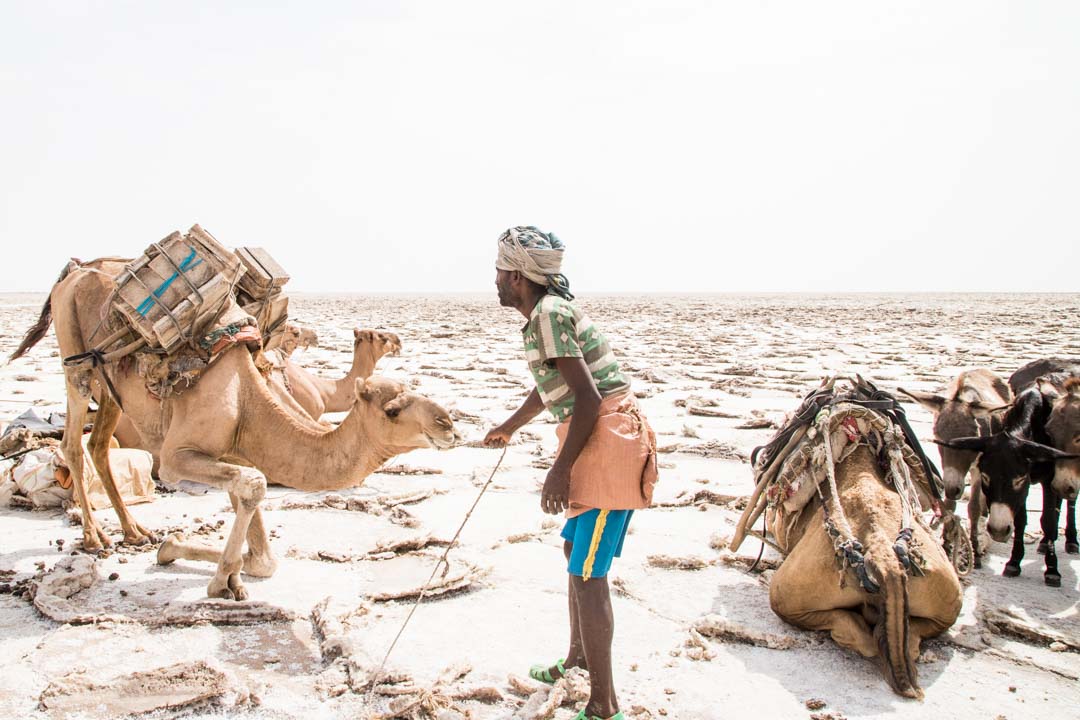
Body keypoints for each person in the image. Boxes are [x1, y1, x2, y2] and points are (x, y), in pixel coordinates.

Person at [483, 226, 658, 720]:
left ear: (518, 277)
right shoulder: (544, 314)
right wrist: (508, 427)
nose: (495, 279)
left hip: (609, 444)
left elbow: (587, 398)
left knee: (588, 573)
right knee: (572, 550)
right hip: (594, 439)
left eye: (500, 271)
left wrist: (558, 473)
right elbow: (554, 385)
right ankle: (577, 660)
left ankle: (604, 705)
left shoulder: (550, 314)